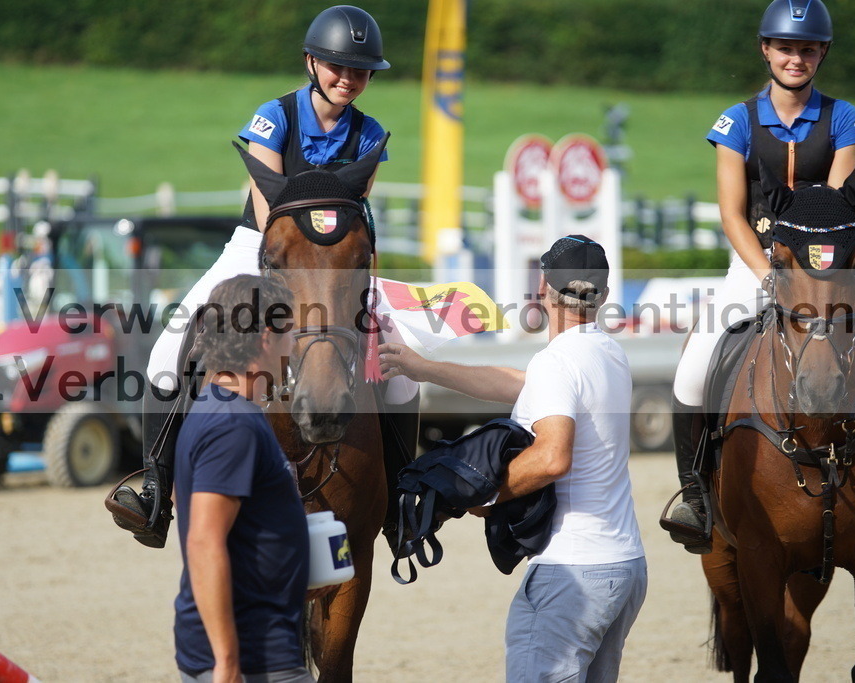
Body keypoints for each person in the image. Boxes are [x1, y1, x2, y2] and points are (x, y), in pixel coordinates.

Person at [122, 5, 397, 547]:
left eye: (361, 70)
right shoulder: (274, 116)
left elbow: (351, 212)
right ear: (311, 62)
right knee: (167, 349)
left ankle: (406, 491)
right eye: (338, 67)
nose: (349, 79)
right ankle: (155, 487)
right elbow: (270, 208)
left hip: (335, 260)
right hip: (262, 245)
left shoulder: (370, 135)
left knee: (398, 360)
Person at [379, 235, 647, 681]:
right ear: (602, 296)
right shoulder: (607, 353)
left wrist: (476, 495)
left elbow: (552, 458)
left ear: (543, 289)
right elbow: (517, 384)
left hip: (572, 571)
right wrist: (422, 368)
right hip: (624, 566)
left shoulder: (558, 363)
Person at [664, 0, 855, 553]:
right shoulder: (738, 121)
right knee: (694, 367)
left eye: (807, 48)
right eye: (786, 47)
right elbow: (732, 213)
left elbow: (839, 209)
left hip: (828, 271)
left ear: (822, 52)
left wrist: (813, 276)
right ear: (766, 49)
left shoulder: (844, 118)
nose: (795, 58)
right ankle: (694, 495)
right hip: (756, 263)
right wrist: (770, 275)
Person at [172, 274, 316, 683]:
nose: (293, 349)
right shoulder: (233, 423)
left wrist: (296, 578)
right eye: (290, 335)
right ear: (267, 338)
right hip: (255, 660)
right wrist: (228, 662)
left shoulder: (221, 407)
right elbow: (203, 541)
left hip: (259, 643)